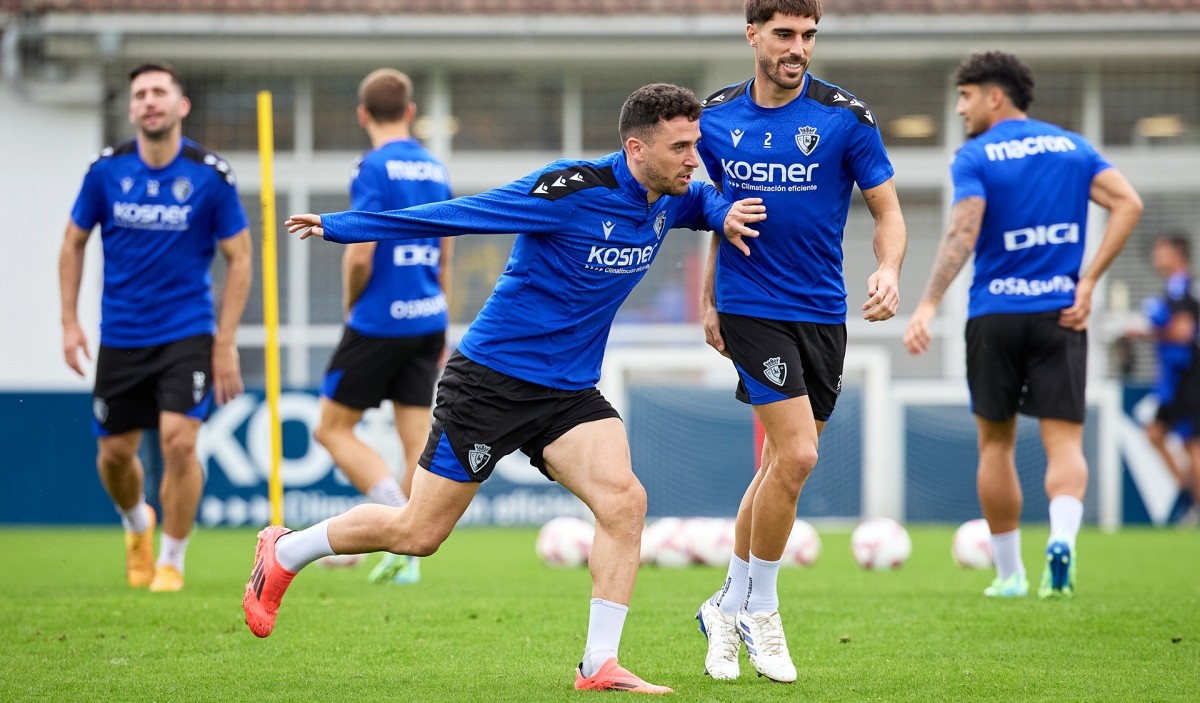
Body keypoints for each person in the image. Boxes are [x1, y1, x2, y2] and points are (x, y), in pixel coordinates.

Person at [243, 83, 766, 694]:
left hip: (567, 394)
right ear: (635, 147)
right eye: (680, 147)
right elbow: (462, 213)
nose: (692, 158)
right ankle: (285, 552)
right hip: (490, 382)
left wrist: (723, 211)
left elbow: (702, 200)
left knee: (625, 502)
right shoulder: (569, 190)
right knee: (418, 533)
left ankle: (599, 665)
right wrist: (341, 227)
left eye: (694, 145)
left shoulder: (670, 195)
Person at [693, 0, 907, 684]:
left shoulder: (847, 117)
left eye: (809, 35)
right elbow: (706, 211)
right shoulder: (716, 117)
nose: (798, 47)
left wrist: (889, 267)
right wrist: (708, 301)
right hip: (752, 306)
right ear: (752, 33)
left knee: (781, 468)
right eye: (785, 34)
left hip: (823, 313)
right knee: (798, 452)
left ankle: (725, 603)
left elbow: (888, 211)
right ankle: (763, 608)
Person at [903, 50, 1144, 598]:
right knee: (1065, 446)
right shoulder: (1072, 147)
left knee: (996, 446)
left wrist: (928, 304)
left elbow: (964, 232)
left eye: (966, 97)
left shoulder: (976, 155)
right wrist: (1087, 282)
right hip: (1061, 311)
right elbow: (1128, 204)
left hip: (995, 314)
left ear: (995, 96)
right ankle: (1062, 539)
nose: (961, 108)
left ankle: (1010, 575)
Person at [59, 62, 252, 592]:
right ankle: (137, 524)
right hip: (119, 336)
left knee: (179, 444)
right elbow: (72, 243)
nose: (150, 101)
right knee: (115, 455)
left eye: (159, 92)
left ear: (180, 105)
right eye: (140, 94)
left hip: (186, 332)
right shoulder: (106, 172)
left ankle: (172, 558)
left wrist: (225, 343)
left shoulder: (210, 176)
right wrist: (69, 323)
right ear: (131, 108)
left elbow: (240, 257)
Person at [313, 69, 454, 585]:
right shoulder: (436, 167)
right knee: (416, 438)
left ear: (363, 115)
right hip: (427, 316)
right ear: (411, 113)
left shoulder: (372, 165)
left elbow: (360, 254)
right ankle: (406, 558)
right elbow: (448, 245)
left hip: (379, 319)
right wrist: (439, 305)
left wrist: (352, 306)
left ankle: (394, 515)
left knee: (330, 428)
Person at [1136, 234, 1200, 524]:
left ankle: (1195, 508)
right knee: (1155, 433)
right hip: (1177, 381)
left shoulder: (1183, 289)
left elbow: (1183, 333)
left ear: (1178, 253)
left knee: (1193, 445)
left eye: (1162, 250)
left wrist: (1144, 332)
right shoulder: (1174, 290)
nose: (1156, 255)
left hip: (1189, 377)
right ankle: (1189, 496)